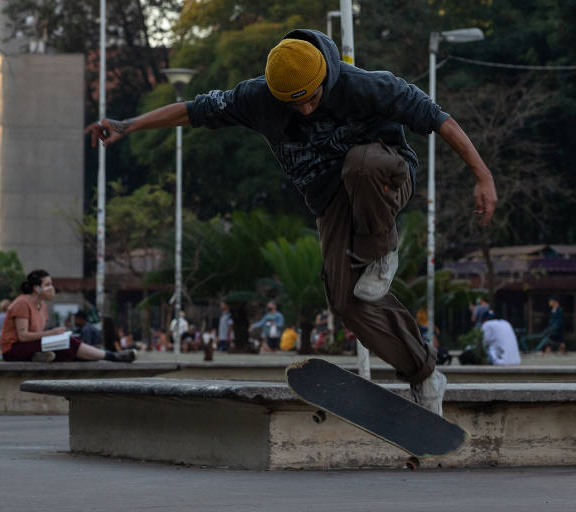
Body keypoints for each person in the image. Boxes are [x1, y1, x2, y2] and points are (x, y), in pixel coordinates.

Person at [85, 29, 497, 416]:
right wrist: (128, 124)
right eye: (293, 104)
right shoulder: (257, 97)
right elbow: (195, 110)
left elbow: (438, 118)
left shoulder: (368, 85)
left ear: (326, 79)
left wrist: (482, 175)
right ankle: (425, 376)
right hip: (332, 202)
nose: (304, 109)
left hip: (386, 178)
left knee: (360, 163)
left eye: (312, 100)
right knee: (349, 302)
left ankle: (381, 252)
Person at [0, 269, 136, 363]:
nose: (51, 288)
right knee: (69, 343)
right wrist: (52, 333)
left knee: (67, 347)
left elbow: (37, 334)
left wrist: (54, 335)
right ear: (37, 288)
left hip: (30, 346)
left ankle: (38, 356)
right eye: (47, 284)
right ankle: (112, 356)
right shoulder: (22, 303)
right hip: (14, 349)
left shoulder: (42, 306)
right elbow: (23, 336)